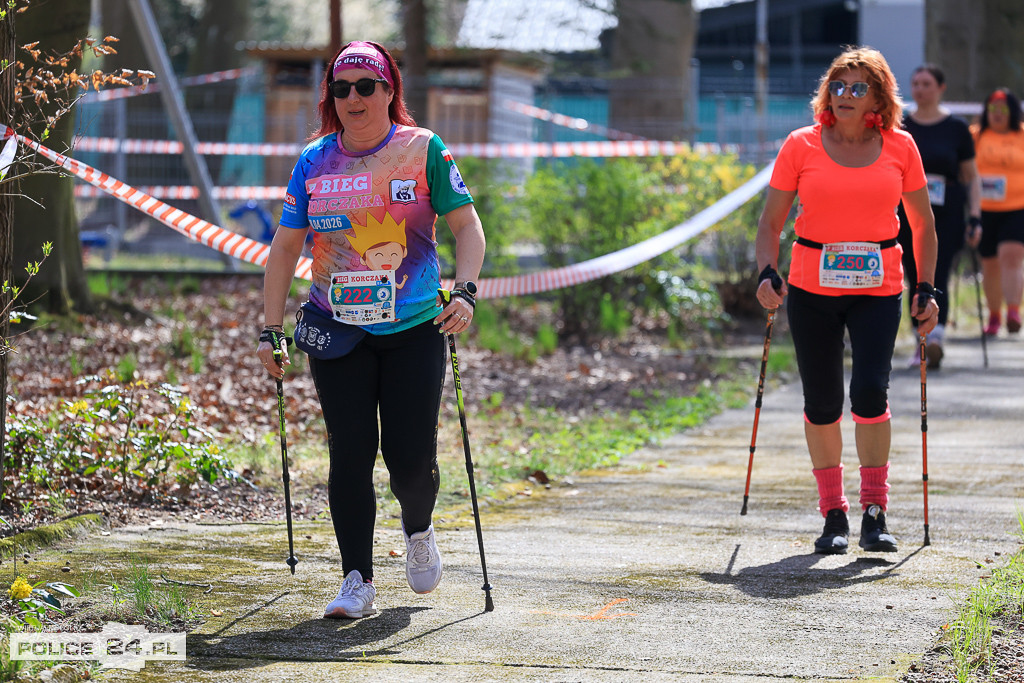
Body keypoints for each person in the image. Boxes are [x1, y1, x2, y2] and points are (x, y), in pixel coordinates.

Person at [256, 40, 486, 618]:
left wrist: (465, 293)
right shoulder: (314, 160)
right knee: (350, 453)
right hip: (335, 328)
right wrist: (270, 328)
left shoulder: (423, 149)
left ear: (389, 91)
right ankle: (356, 579)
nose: (353, 98)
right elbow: (285, 246)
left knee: (408, 459)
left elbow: (468, 227)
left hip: (413, 326)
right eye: (341, 88)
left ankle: (418, 528)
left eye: (366, 86)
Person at [755, 47, 938, 556]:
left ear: (879, 97)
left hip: (877, 288)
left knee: (870, 394)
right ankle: (833, 513)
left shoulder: (900, 146)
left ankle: (874, 512)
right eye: (837, 86)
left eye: (858, 88)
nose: (845, 96)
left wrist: (926, 288)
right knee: (822, 402)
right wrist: (767, 272)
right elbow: (770, 223)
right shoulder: (801, 145)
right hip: (812, 289)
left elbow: (922, 225)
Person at [898, 64, 982, 368]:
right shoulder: (901, 124)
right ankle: (919, 340)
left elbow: (971, 176)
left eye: (927, 84)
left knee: (939, 271)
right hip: (908, 211)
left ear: (940, 88)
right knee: (913, 272)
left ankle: (936, 337)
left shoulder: (956, 128)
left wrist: (975, 216)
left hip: (947, 212)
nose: (920, 89)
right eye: (916, 84)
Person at [972, 87, 1024, 336]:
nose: (998, 113)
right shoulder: (976, 136)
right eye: (993, 108)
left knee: (1011, 257)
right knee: (990, 264)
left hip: (1017, 207)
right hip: (983, 209)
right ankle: (994, 315)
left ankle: (1013, 311)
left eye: (1003, 109)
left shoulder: (1022, 135)